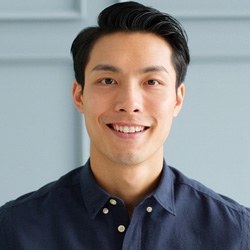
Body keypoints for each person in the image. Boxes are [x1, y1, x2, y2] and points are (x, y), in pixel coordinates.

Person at [0, 1, 249, 249]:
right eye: (108, 80)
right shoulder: (13, 229)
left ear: (177, 99)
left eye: (152, 82)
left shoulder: (237, 233)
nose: (130, 103)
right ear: (79, 95)